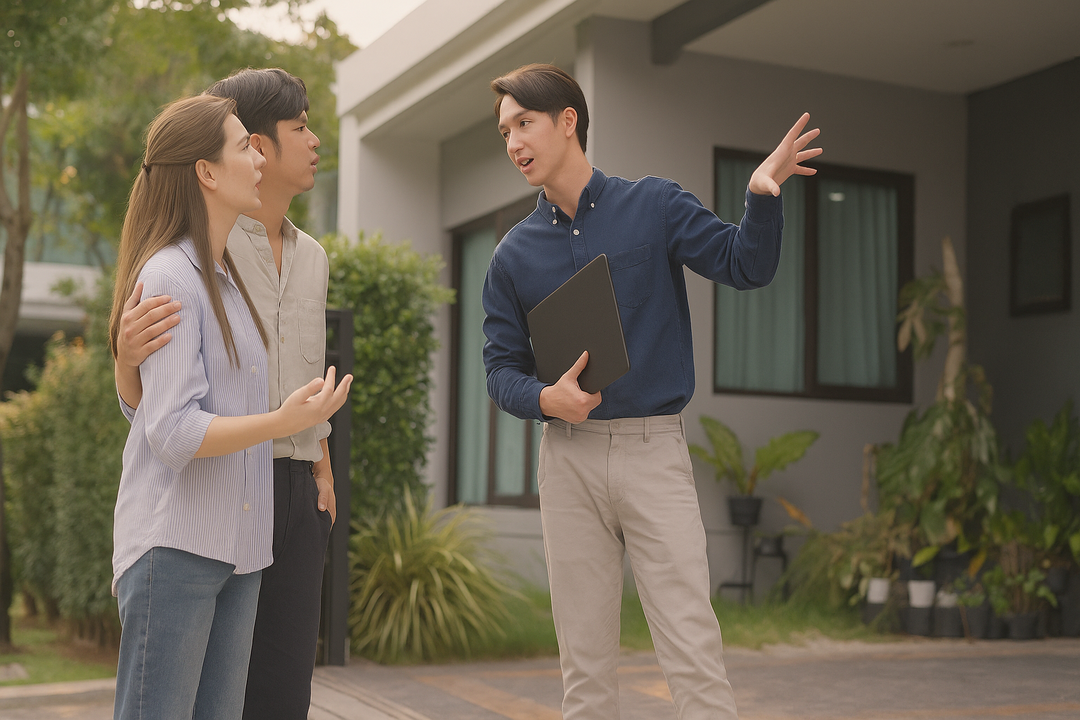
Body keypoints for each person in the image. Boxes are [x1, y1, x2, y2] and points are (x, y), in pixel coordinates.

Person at [482, 64, 821, 720]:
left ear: (568, 120)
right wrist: (547, 400)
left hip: (652, 453)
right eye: (504, 131)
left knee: (691, 645)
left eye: (524, 123)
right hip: (568, 460)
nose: (513, 142)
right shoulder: (512, 255)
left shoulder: (654, 205)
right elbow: (501, 370)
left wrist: (762, 192)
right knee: (583, 665)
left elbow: (745, 265)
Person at [107, 94, 352, 720]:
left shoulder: (226, 283)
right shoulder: (170, 277)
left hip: (240, 550)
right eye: (245, 146)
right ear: (206, 172)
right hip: (177, 547)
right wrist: (284, 421)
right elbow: (168, 429)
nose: (259, 159)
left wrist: (311, 443)